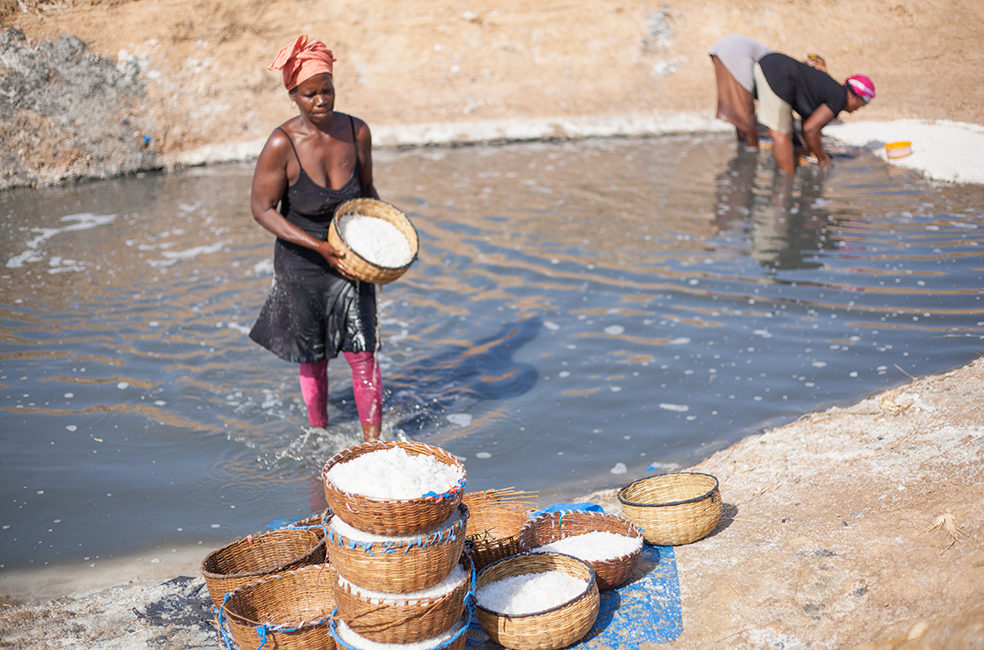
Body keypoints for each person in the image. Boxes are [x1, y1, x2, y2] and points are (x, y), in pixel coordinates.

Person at [249, 35, 383, 441]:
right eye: (310, 94)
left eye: (328, 90)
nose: (321, 100)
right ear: (293, 94)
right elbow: (262, 209)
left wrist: (382, 240)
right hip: (303, 261)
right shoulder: (281, 144)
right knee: (314, 357)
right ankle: (320, 436)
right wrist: (319, 247)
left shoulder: (357, 132)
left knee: (363, 351)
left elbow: (369, 192)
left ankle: (372, 446)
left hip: (349, 256)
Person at [753, 52, 875, 173]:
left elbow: (807, 125)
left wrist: (808, 149)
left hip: (771, 65)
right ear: (856, 97)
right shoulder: (839, 99)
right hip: (776, 73)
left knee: (786, 132)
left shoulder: (830, 91)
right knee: (781, 134)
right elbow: (810, 130)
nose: (860, 108)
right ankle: (786, 183)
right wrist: (823, 159)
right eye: (864, 103)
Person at [709, 34, 773, 150]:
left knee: (737, 105)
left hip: (719, 50)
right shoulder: (772, 58)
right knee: (745, 107)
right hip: (734, 51)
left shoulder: (766, 54)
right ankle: (752, 148)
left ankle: (742, 142)